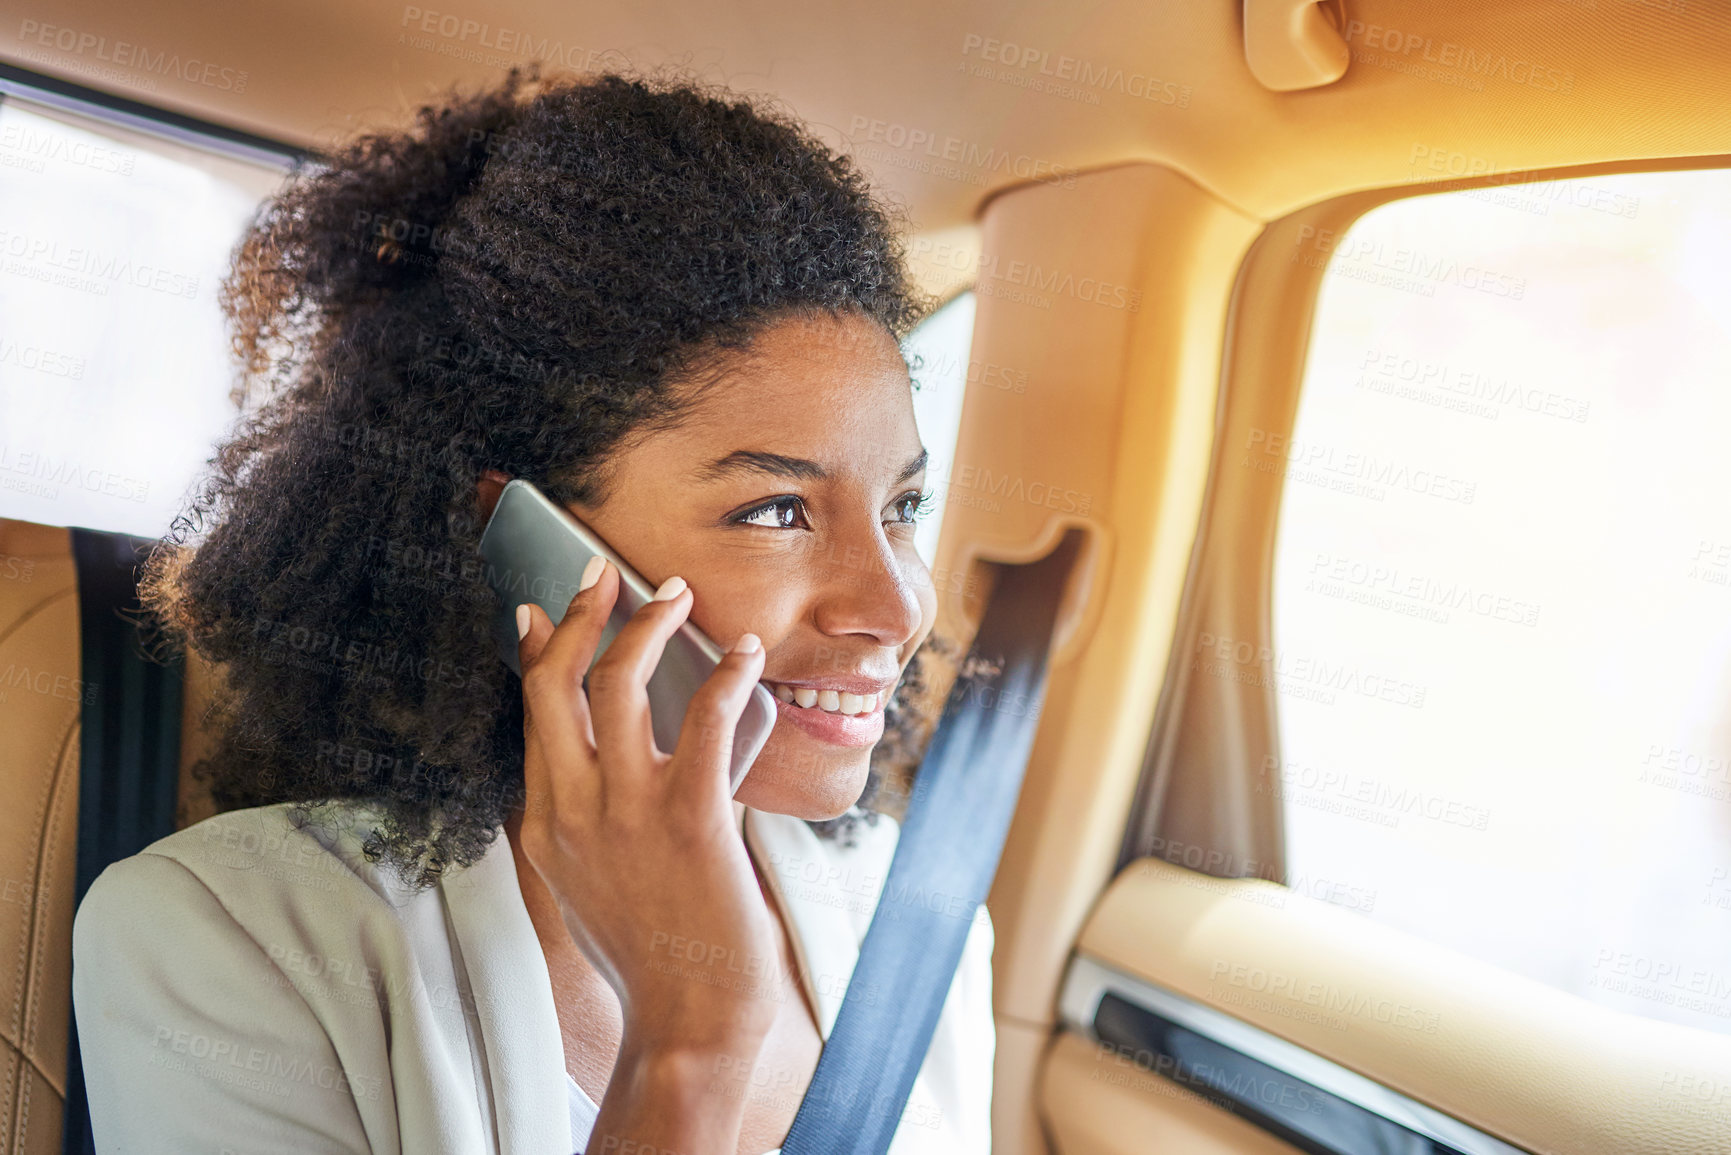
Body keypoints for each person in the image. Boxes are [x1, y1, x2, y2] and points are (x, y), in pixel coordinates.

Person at [71, 67, 993, 1155]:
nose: (897, 605)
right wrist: (691, 1038)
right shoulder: (226, 940)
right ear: (527, 545)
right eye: (777, 510)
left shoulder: (918, 921)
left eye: (902, 506)